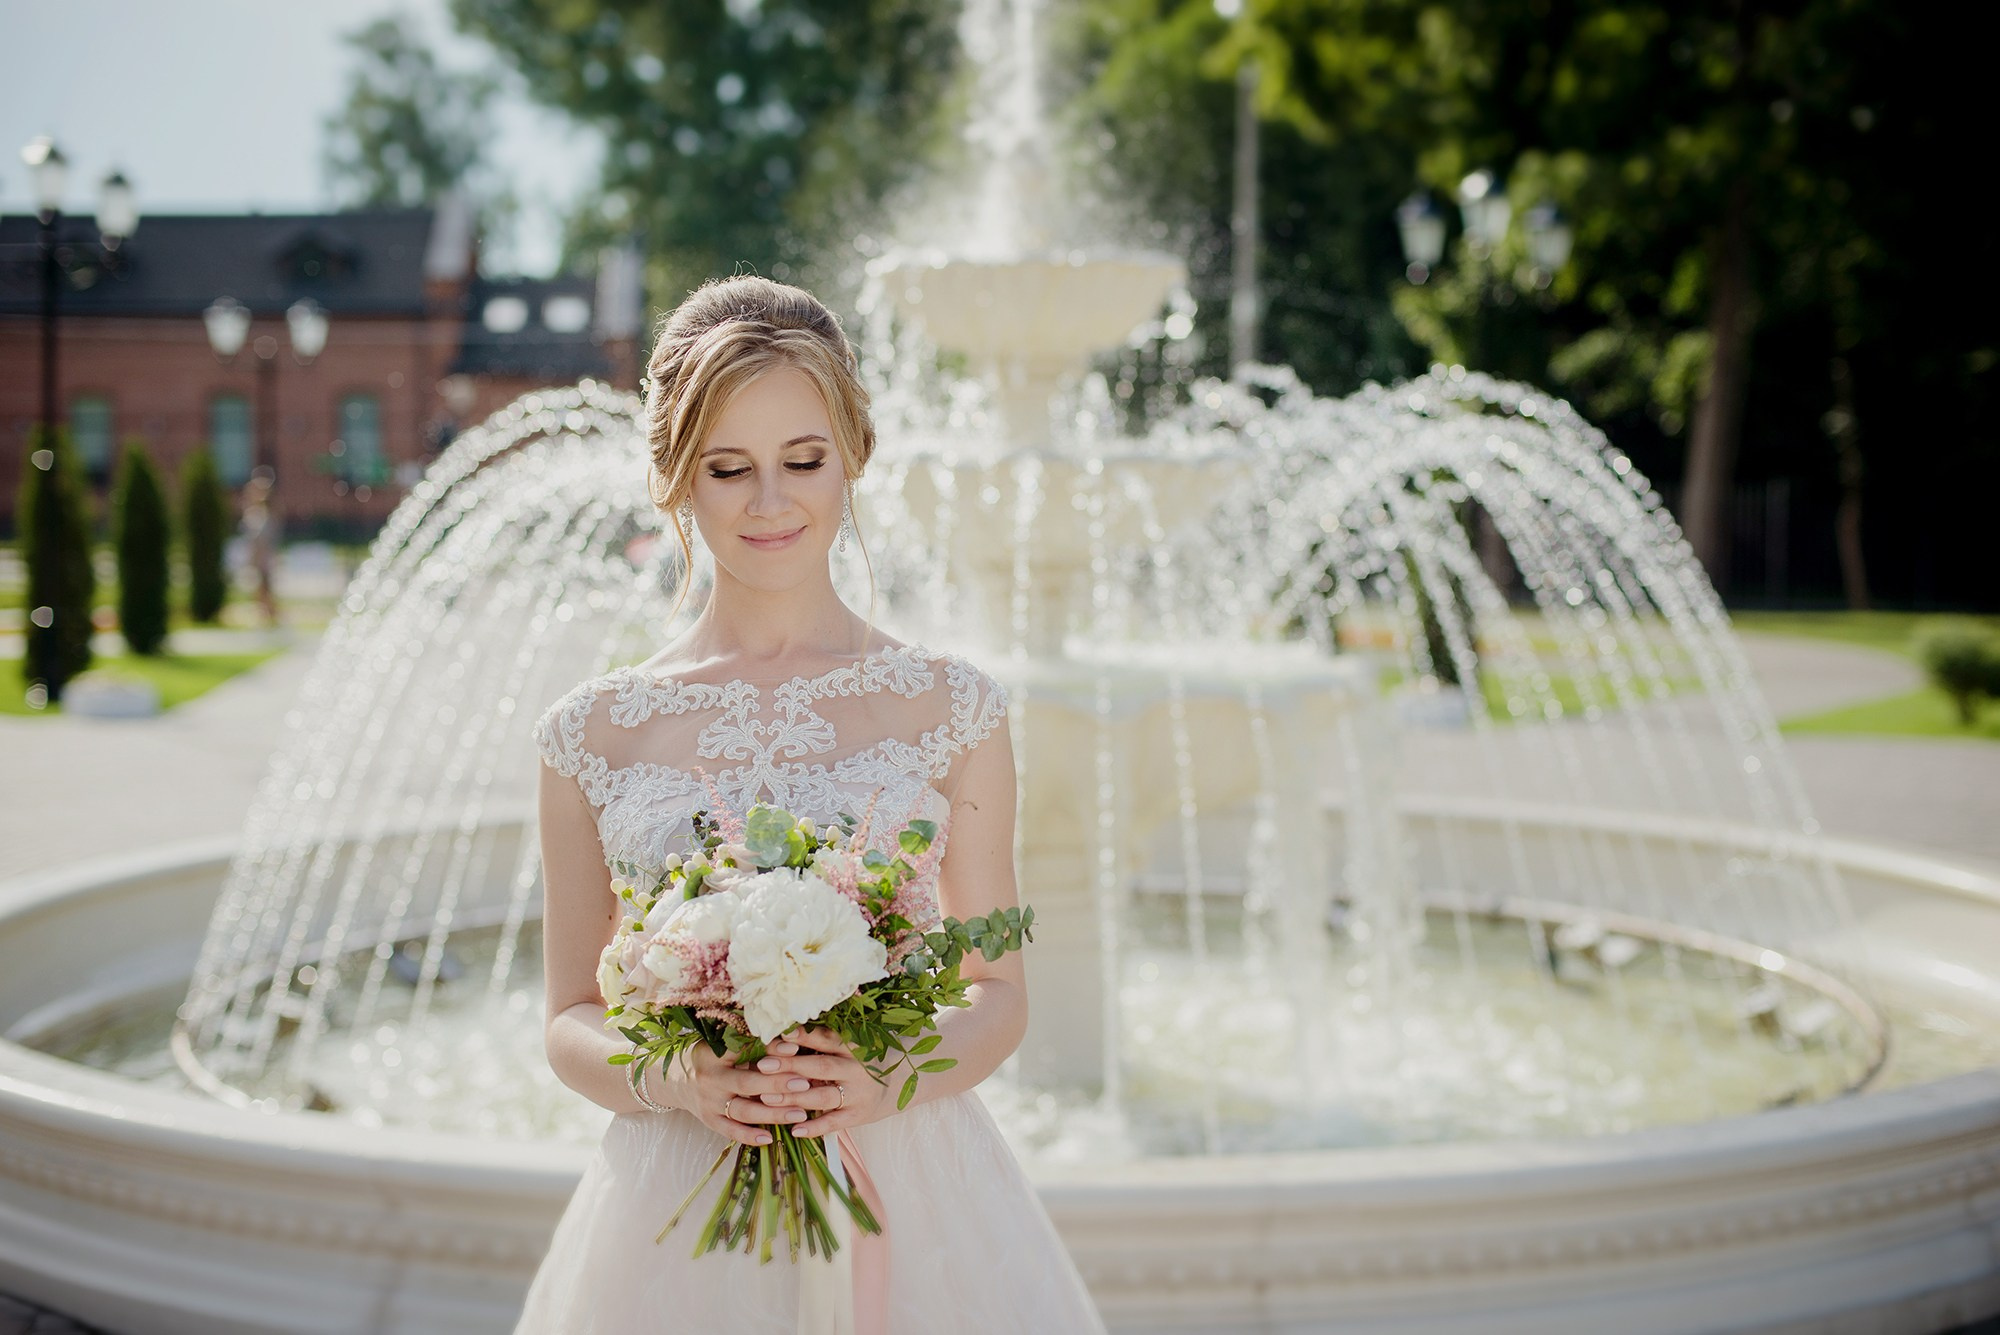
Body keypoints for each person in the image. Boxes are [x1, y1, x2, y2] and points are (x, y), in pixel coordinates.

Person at [516, 276, 1104, 1334]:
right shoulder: (591, 732)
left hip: (910, 1175)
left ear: (853, 456)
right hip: (677, 1190)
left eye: (803, 460)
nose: (769, 502)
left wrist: (880, 1075)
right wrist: (682, 1078)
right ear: (673, 476)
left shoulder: (954, 709)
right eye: (727, 468)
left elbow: (998, 991)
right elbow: (567, 1020)